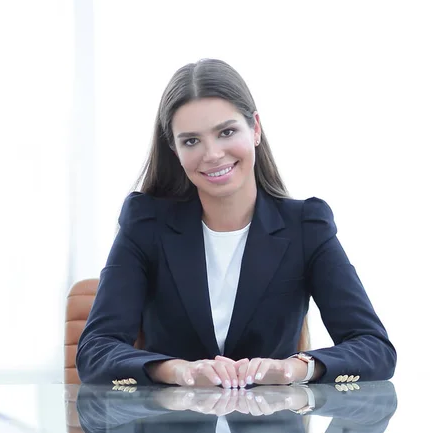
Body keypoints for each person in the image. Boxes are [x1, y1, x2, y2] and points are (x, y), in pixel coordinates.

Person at [76, 58, 396, 389]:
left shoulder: (306, 227)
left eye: (226, 132)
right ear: (174, 149)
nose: (212, 154)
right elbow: (95, 350)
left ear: (255, 128)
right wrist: (176, 371)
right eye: (191, 141)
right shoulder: (146, 224)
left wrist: (296, 368)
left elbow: (374, 347)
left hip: (269, 430)